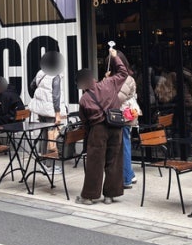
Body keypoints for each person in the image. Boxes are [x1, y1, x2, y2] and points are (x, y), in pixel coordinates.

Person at [76, 48, 128, 205]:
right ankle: (110, 195)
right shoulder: (109, 83)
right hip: (116, 125)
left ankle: (89, 196)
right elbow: (123, 72)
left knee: (95, 163)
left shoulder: (84, 99)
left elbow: (85, 122)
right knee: (114, 160)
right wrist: (115, 57)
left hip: (97, 129)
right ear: (92, 78)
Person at [29, 51, 65, 173]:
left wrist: (40, 100)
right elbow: (56, 96)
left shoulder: (40, 73)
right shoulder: (56, 76)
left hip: (42, 111)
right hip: (51, 112)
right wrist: (58, 114)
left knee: (44, 136)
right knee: (51, 137)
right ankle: (49, 166)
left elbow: (32, 86)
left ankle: (43, 163)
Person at [112, 51, 139, 189]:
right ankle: (130, 174)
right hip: (125, 115)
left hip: (123, 116)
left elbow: (118, 98)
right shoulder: (124, 78)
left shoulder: (126, 79)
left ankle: (126, 178)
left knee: (124, 146)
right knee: (124, 145)